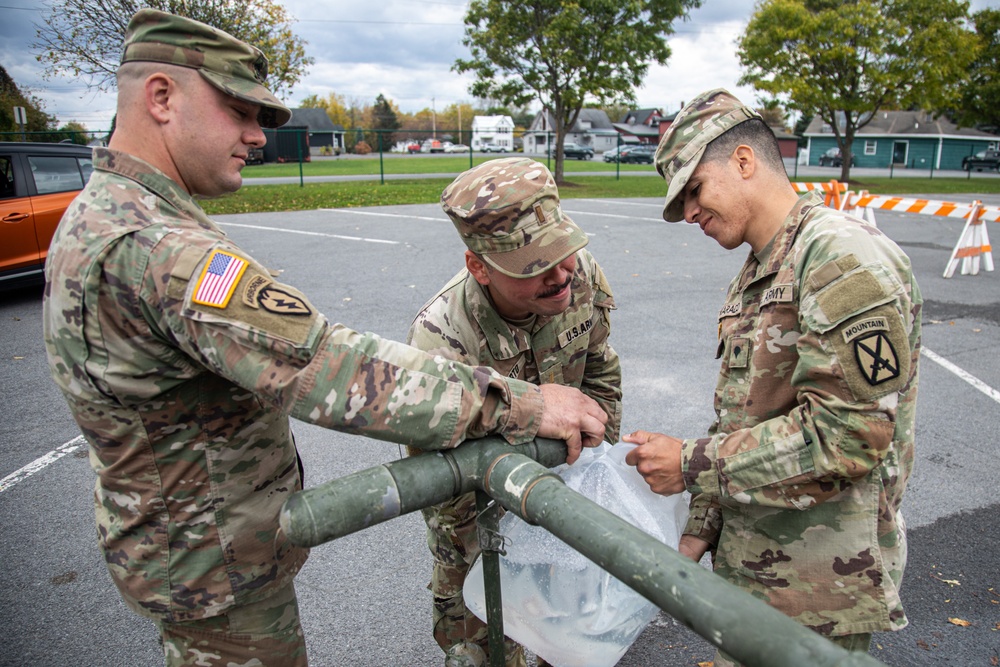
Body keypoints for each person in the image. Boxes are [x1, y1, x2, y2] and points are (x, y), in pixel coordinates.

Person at [41, 10, 607, 667]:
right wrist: (529, 404)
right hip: (214, 571)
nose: (257, 135)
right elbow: (328, 367)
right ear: (161, 96)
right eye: (238, 109)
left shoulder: (110, 214)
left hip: (191, 552)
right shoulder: (155, 246)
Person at [623, 89, 922, 666]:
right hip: (760, 569)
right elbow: (744, 413)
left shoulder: (838, 258)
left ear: (742, 161)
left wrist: (690, 464)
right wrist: (702, 526)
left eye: (694, 190)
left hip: (819, 585)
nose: (688, 213)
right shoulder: (762, 268)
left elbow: (848, 438)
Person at [407, 157, 623, 667]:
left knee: (569, 631)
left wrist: (594, 467)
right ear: (478, 267)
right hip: (479, 520)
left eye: (563, 251)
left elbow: (601, 370)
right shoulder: (442, 339)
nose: (560, 275)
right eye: (533, 266)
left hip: (565, 485)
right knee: (480, 644)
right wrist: (518, 534)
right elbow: (441, 482)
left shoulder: (580, 275)